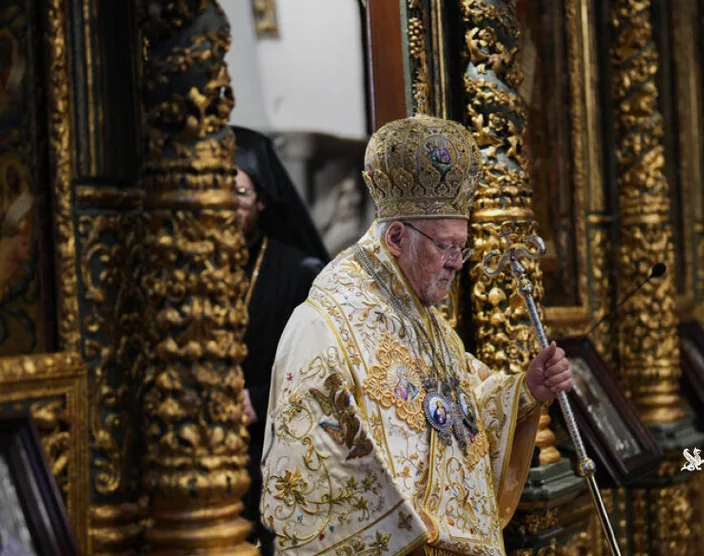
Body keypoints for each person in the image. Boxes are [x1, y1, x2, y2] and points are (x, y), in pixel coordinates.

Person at [259, 115, 574, 556]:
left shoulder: (427, 323)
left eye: (460, 247)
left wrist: (526, 390)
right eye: (446, 246)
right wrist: (408, 527)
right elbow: (306, 471)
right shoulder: (324, 325)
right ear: (395, 236)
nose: (456, 262)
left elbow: (459, 417)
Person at [231, 125, 329, 555]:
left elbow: (322, 365)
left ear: (262, 200)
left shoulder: (298, 271)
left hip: (269, 451)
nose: (223, 203)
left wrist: (258, 397)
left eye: (238, 192)